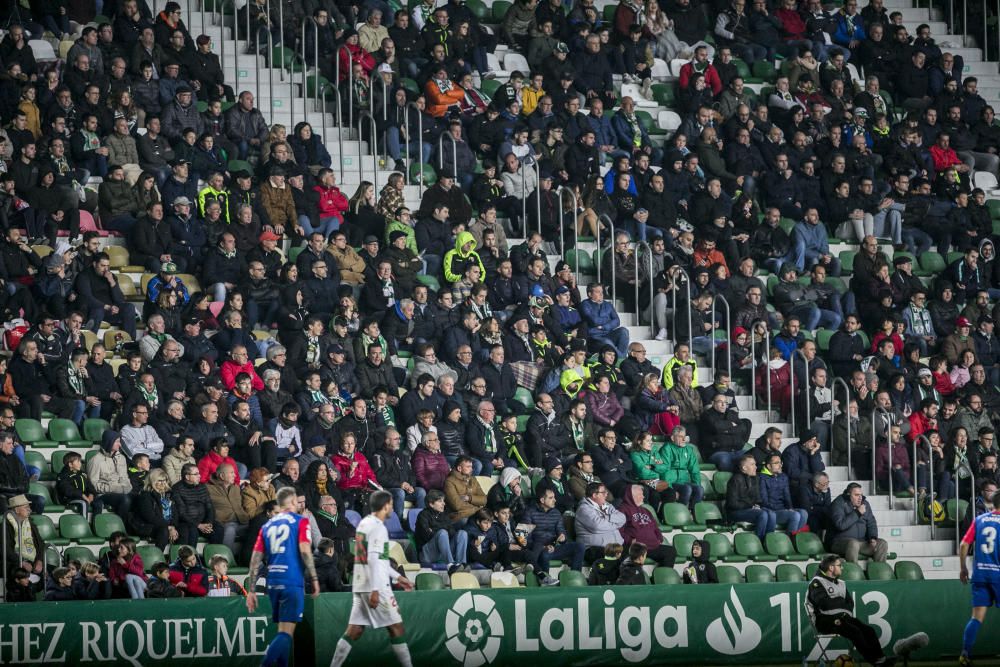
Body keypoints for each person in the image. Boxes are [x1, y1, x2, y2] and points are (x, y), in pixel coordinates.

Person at [330, 490, 415, 667]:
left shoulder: (364, 523)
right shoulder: (378, 527)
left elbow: (380, 560)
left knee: (354, 630)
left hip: (360, 584)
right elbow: (375, 560)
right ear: (385, 506)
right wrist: (376, 590)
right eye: (391, 504)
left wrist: (399, 577)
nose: (392, 507)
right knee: (396, 628)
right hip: (375, 586)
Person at [246, 486, 321, 667]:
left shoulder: (267, 525)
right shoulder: (300, 522)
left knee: (282, 630)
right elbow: (304, 550)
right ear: (294, 502)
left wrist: (252, 589)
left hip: (273, 581)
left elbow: (255, 559)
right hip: (291, 580)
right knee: (287, 633)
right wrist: (314, 577)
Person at [807, 554, 907, 667]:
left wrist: (836, 602)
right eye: (839, 565)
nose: (842, 568)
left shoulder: (841, 583)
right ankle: (875, 662)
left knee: (869, 630)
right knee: (855, 632)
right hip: (824, 621)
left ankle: (881, 659)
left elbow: (850, 604)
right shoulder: (817, 583)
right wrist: (840, 601)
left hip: (843, 618)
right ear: (831, 568)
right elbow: (824, 604)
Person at [959, 489, 1000, 666]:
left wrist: (963, 568)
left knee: (976, 618)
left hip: (981, 574)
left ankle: (965, 654)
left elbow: (964, 544)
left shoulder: (980, 519)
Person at [828, 482, 890, 562]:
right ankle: (853, 572)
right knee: (853, 544)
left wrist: (872, 537)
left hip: (861, 542)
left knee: (882, 544)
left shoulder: (865, 504)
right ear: (848, 495)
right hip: (839, 542)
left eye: (861, 495)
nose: (860, 498)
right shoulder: (838, 504)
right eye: (856, 495)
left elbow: (871, 523)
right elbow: (840, 525)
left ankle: (879, 572)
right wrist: (857, 513)